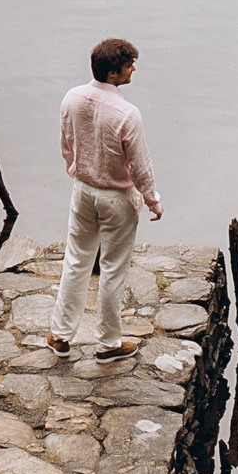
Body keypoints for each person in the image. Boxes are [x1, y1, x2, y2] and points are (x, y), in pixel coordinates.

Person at [50, 37, 163, 360]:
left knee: (76, 260)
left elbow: (66, 142)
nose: (134, 69)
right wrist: (153, 201)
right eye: (129, 66)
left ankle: (60, 336)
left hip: (83, 190)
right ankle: (108, 344)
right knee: (113, 268)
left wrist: (75, 168)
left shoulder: (72, 98)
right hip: (117, 197)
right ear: (113, 74)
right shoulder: (127, 114)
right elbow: (141, 167)